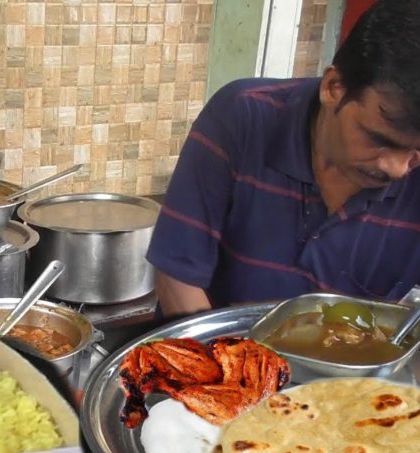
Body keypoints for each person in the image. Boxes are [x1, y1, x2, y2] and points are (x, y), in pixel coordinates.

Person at [147, 0, 420, 318]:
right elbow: (177, 277)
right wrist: (229, 366)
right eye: (380, 140)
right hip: (217, 356)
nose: (399, 168)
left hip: (353, 368)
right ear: (333, 88)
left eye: (416, 154)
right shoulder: (241, 118)